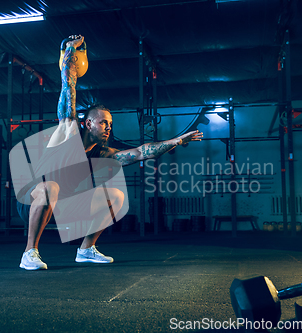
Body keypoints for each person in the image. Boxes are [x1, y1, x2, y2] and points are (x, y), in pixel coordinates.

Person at [18, 35, 202, 270]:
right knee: (50, 187)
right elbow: (68, 86)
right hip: (33, 201)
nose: (108, 127)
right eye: (103, 122)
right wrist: (69, 52)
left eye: (110, 124)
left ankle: (85, 249)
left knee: (116, 196)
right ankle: (29, 252)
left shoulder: (102, 153)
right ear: (88, 124)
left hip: (63, 207)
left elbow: (141, 152)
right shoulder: (68, 131)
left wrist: (176, 140)